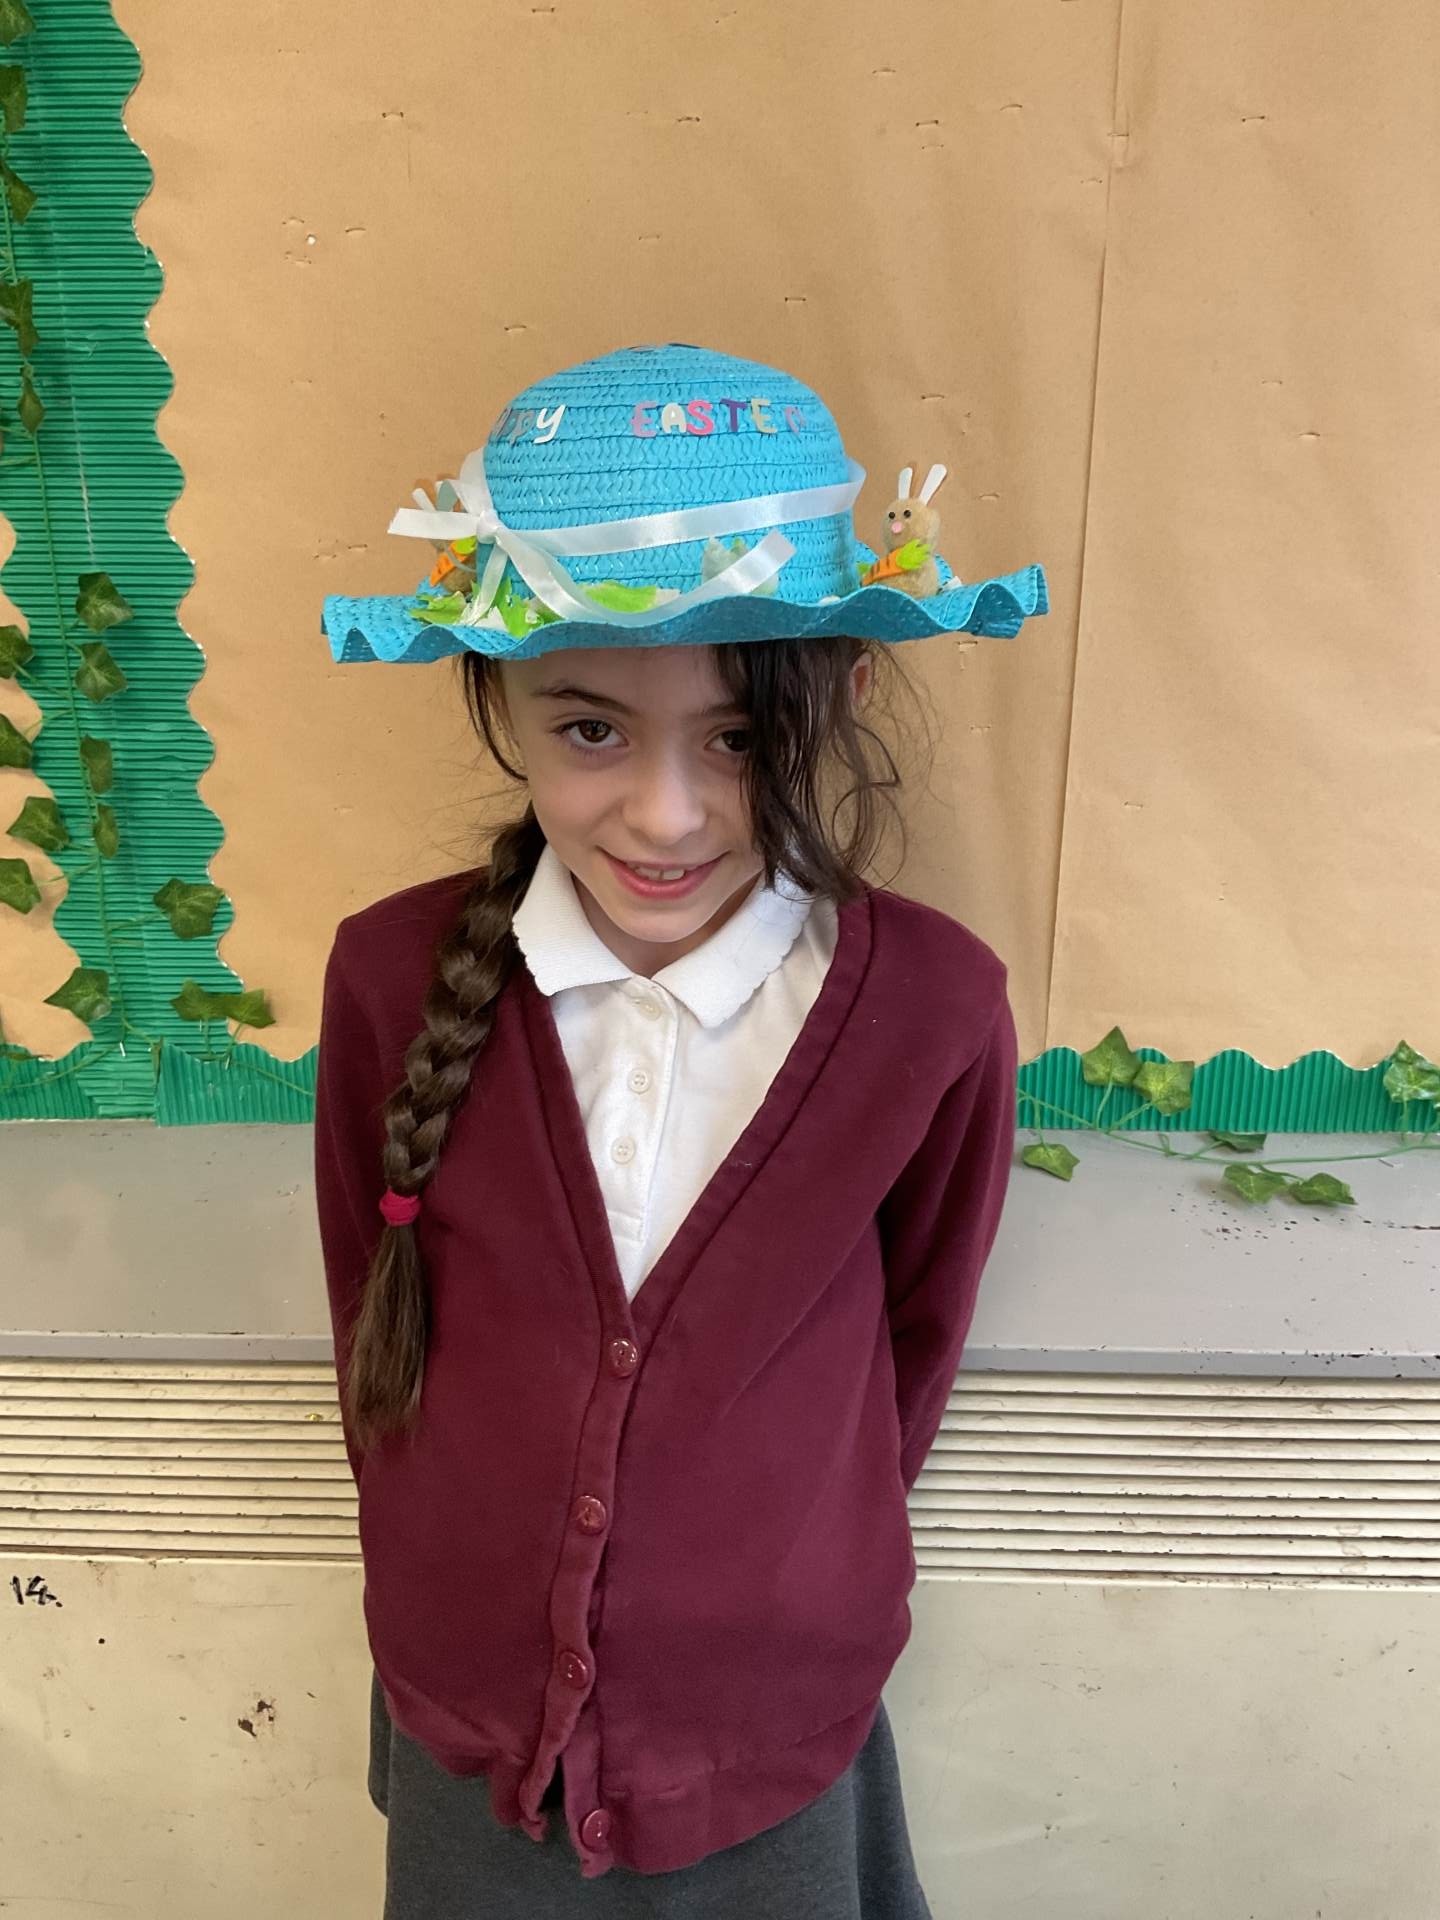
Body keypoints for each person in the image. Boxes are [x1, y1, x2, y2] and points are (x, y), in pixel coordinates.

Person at [313, 342, 1047, 1917]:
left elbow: (911, 1346)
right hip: (472, 1704)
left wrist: (783, 1565)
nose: (665, 813)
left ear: (845, 694)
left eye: (738, 737)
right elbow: (368, 1303)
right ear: (494, 696)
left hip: (770, 1717)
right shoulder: (388, 974)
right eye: (591, 730)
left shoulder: (933, 1006)